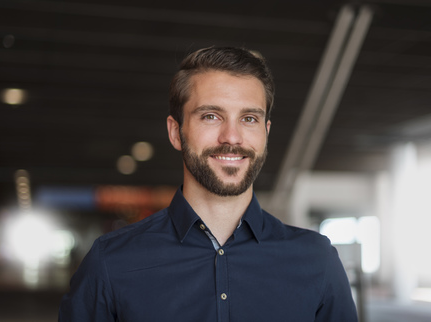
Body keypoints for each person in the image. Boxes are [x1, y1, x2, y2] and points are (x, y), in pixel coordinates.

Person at [58, 47, 358, 321]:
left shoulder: (317, 261)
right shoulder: (111, 262)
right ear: (176, 132)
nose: (232, 136)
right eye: (212, 116)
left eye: (249, 119)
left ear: (266, 132)